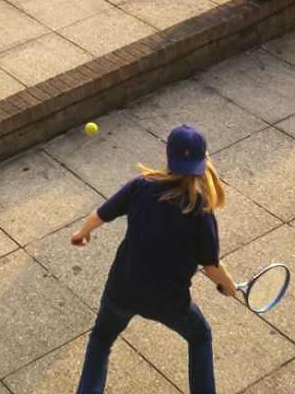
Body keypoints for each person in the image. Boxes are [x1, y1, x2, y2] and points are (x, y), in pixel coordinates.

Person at [71, 125, 236, 394]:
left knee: (102, 338)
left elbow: (101, 214)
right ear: (203, 160)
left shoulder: (141, 186)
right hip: (169, 302)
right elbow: (211, 265)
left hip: (122, 289)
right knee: (200, 337)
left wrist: (82, 233)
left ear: (167, 154)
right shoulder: (200, 210)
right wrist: (227, 285)